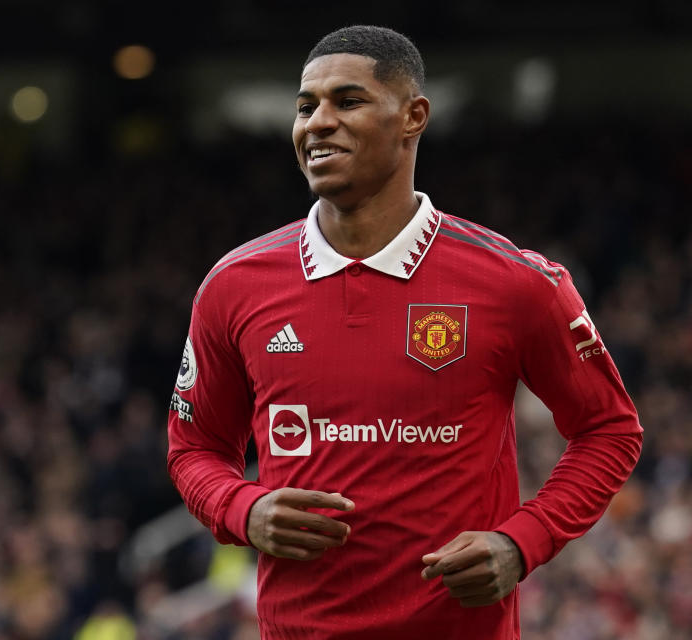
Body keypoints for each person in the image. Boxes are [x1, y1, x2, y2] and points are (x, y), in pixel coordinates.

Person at [166, 25, 642, 640]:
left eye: (349, 101)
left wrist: (522, 541)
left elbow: (609, 428)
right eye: (306, 107)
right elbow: (193, 448)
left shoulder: (516, 283)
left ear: (413, 116)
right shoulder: (235, 285)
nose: (318, 122)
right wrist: (243, 508)